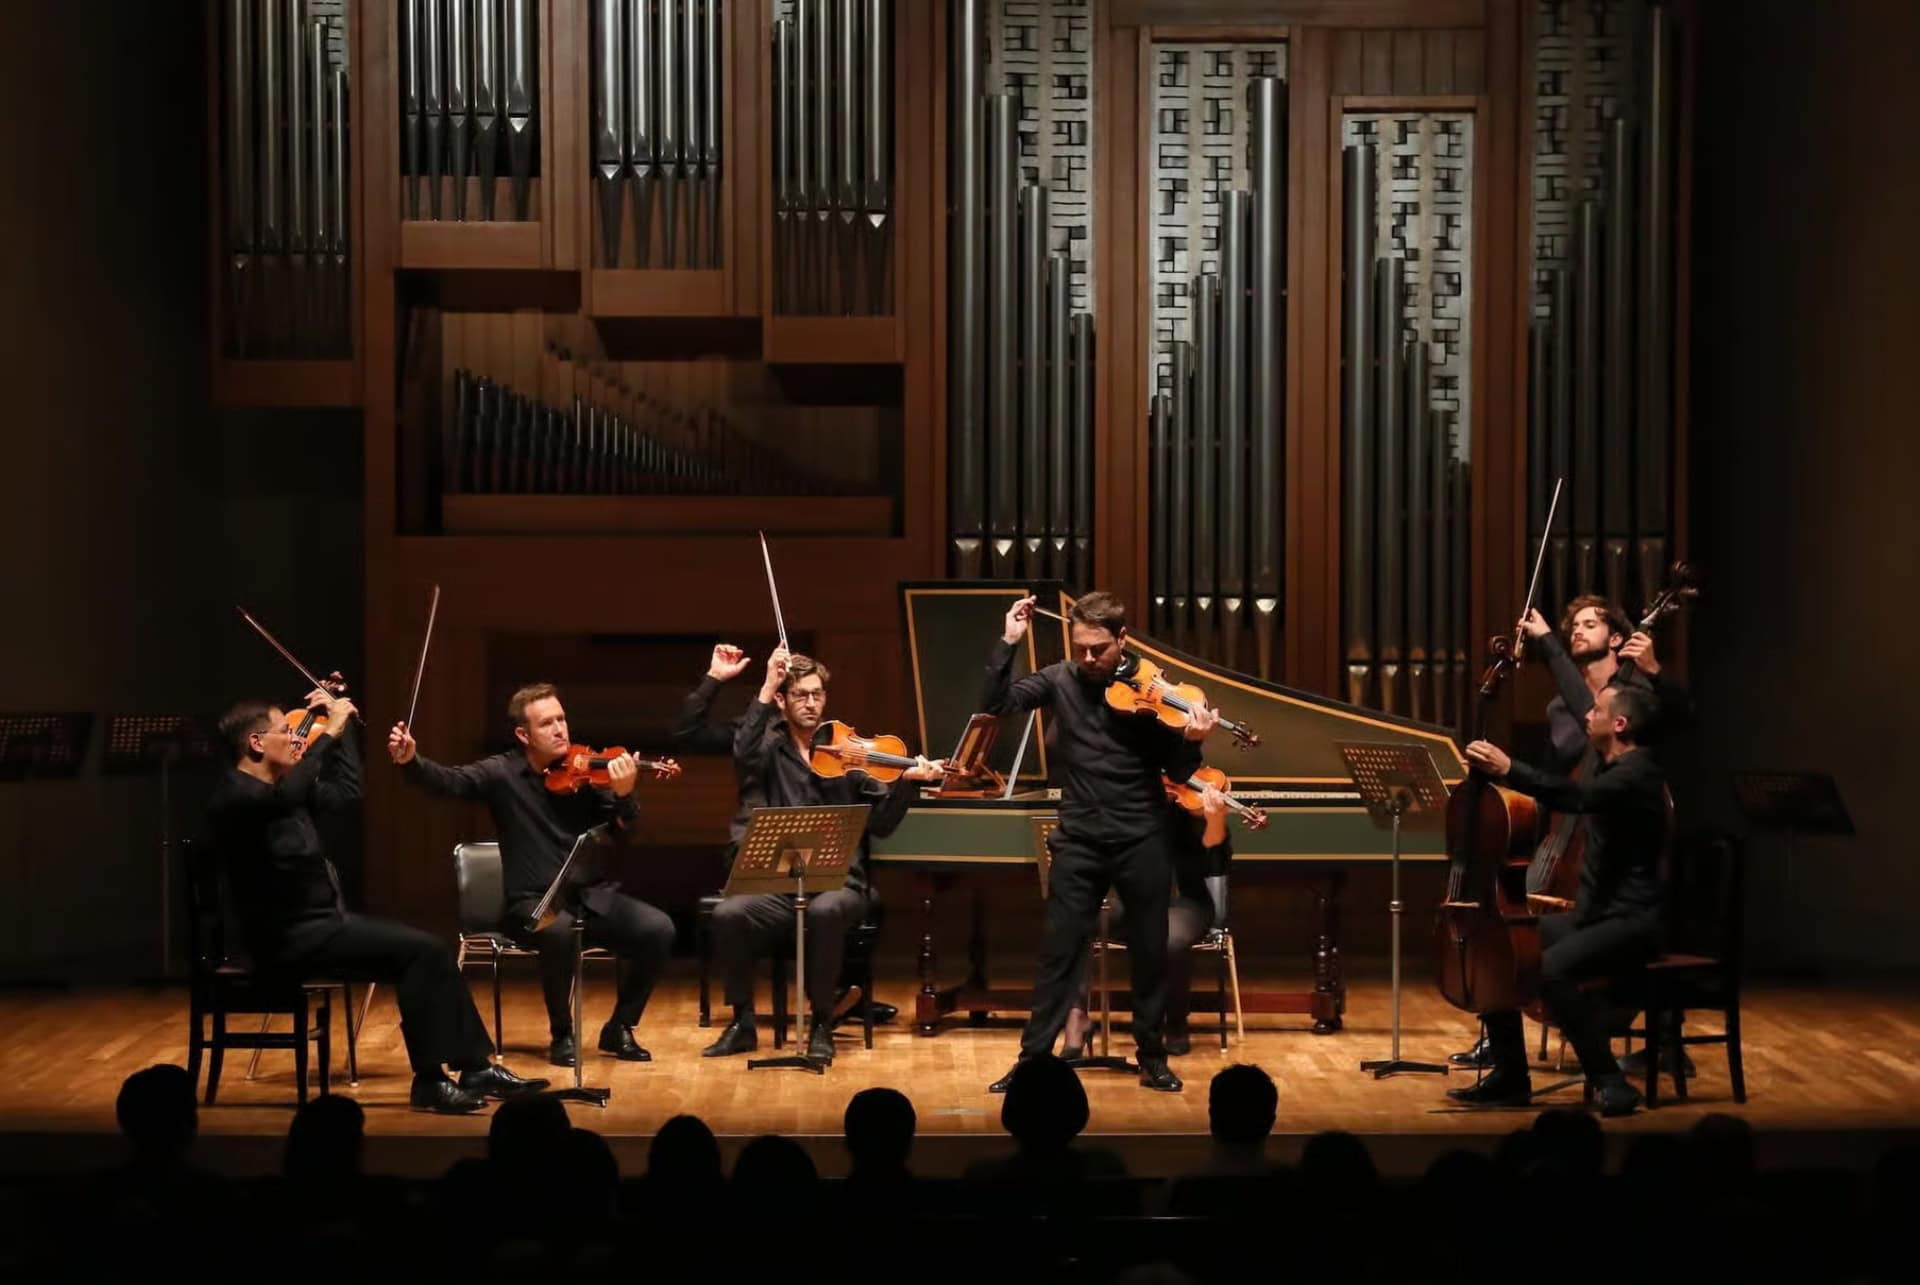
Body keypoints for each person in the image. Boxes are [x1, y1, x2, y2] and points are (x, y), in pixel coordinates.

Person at [208, 692, 544, 1112]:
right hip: (283, 940)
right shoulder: (236, 796)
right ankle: (434, 1082)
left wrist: (342, 726)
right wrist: (326, 732)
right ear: (256, 743)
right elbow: (283, 798)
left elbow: (347, 791)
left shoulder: (283, 791)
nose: (298, 739)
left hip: (321, 929)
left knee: (426, 954)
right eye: (287, 732)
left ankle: (470, 1068)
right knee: (423, 952)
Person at [982, 591, 1217, 1094]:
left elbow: (1177, 773)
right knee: (1058, 951)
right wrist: (1009, 640)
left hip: (1142, 837)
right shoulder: (1059, 679)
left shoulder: (1153, 691)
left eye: (1099, 649)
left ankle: (1152, 1057)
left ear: (1122, 639)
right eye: (1081, 646)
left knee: (1150, 951)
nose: (1088, 658)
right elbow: (997, 704)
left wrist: (1193, 741)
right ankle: (1031, 1061)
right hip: (1081, 838)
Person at [389, 683, 675, 1067]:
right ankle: (562, 1034)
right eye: (547, 723)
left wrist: (625, 794)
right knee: (556, 931)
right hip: (532, 905)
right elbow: (448, 781)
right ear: (524, 735)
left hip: (589, 899)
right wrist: (412, 760)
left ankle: (620, 1026)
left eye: (561, 719)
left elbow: (628, 833)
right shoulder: (501, 773)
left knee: (659, 929)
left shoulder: (588, 772)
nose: (560, 729)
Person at [699, 647, 945, 1063]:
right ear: (783, 700)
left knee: (824, 912)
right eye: (801, 696)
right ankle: (741, 1022)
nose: (811, 704)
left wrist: (909, 782)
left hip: (840, 884)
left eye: (817, 695)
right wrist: (767, 684)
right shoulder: (769, 749)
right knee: (729, 914)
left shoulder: (848, 753)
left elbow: (882, 824)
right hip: (782, 885)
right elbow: (742, 751)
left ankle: (821, 1024)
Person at [1449, 682, 1670, 1117]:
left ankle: (1611, 1082)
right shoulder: (1610, 768)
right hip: (1597, 917)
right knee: (1499, 945)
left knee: (1550, 971)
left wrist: (1509, 767)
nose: (1587, 715)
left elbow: (1576, 797)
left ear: (1619, 724)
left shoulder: (1638, 773)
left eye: (1597, 711)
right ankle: (1512, 1076)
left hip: (1632, 923)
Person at [1060, 784, 1230, 1059]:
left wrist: (1214, 820)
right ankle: (1077, 1016)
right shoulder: (1124, 802)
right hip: (1132, 901)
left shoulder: (1190, 808)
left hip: (1183, 903)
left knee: (1171, 939)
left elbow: (1216, 866)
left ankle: (1175, 1023)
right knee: (1075, 921)